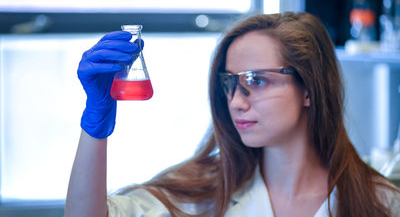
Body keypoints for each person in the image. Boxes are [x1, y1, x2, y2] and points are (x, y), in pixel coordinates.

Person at [65, 12, 400, 217]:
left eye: (256, 80)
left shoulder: (381, 204)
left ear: (309, 88)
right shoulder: (205, 194)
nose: (237, 101)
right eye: (230, 83)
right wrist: (95, 126)